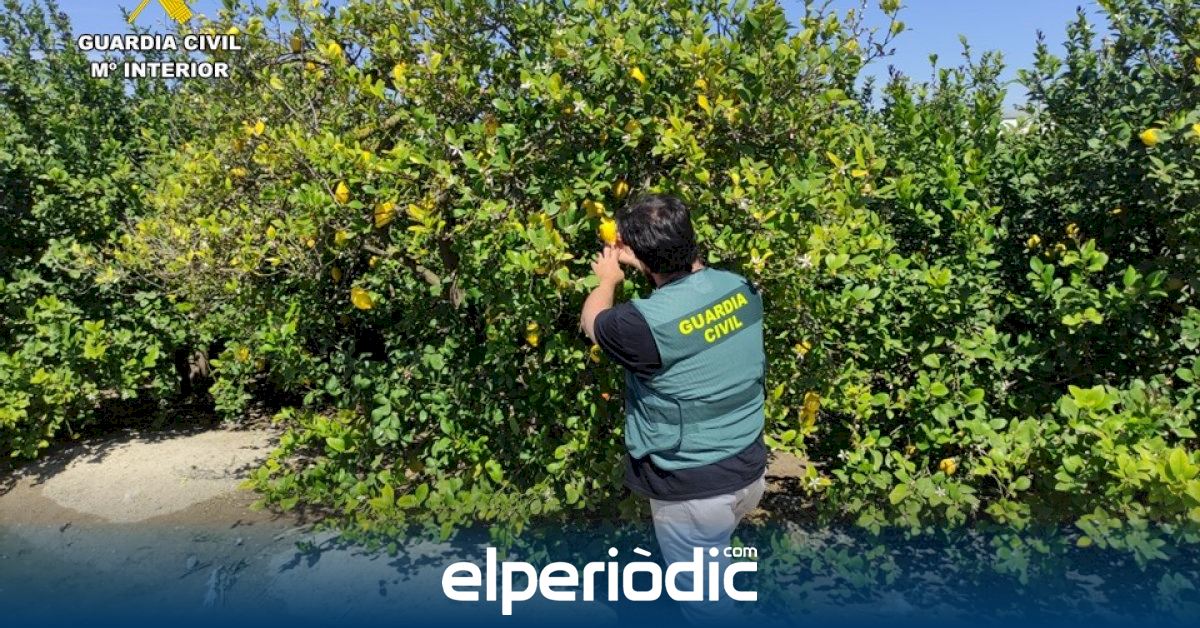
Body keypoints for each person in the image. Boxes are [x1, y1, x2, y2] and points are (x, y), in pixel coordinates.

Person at [579, 194, 768, 623]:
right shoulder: (741, 288)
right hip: (748, 466)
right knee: (715, 565)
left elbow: (593, 322)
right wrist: (646, 261)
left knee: (707, 608)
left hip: (693, 489)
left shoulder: (638, 326)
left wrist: (608, 280)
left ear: (641, 255)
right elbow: (689, 308)